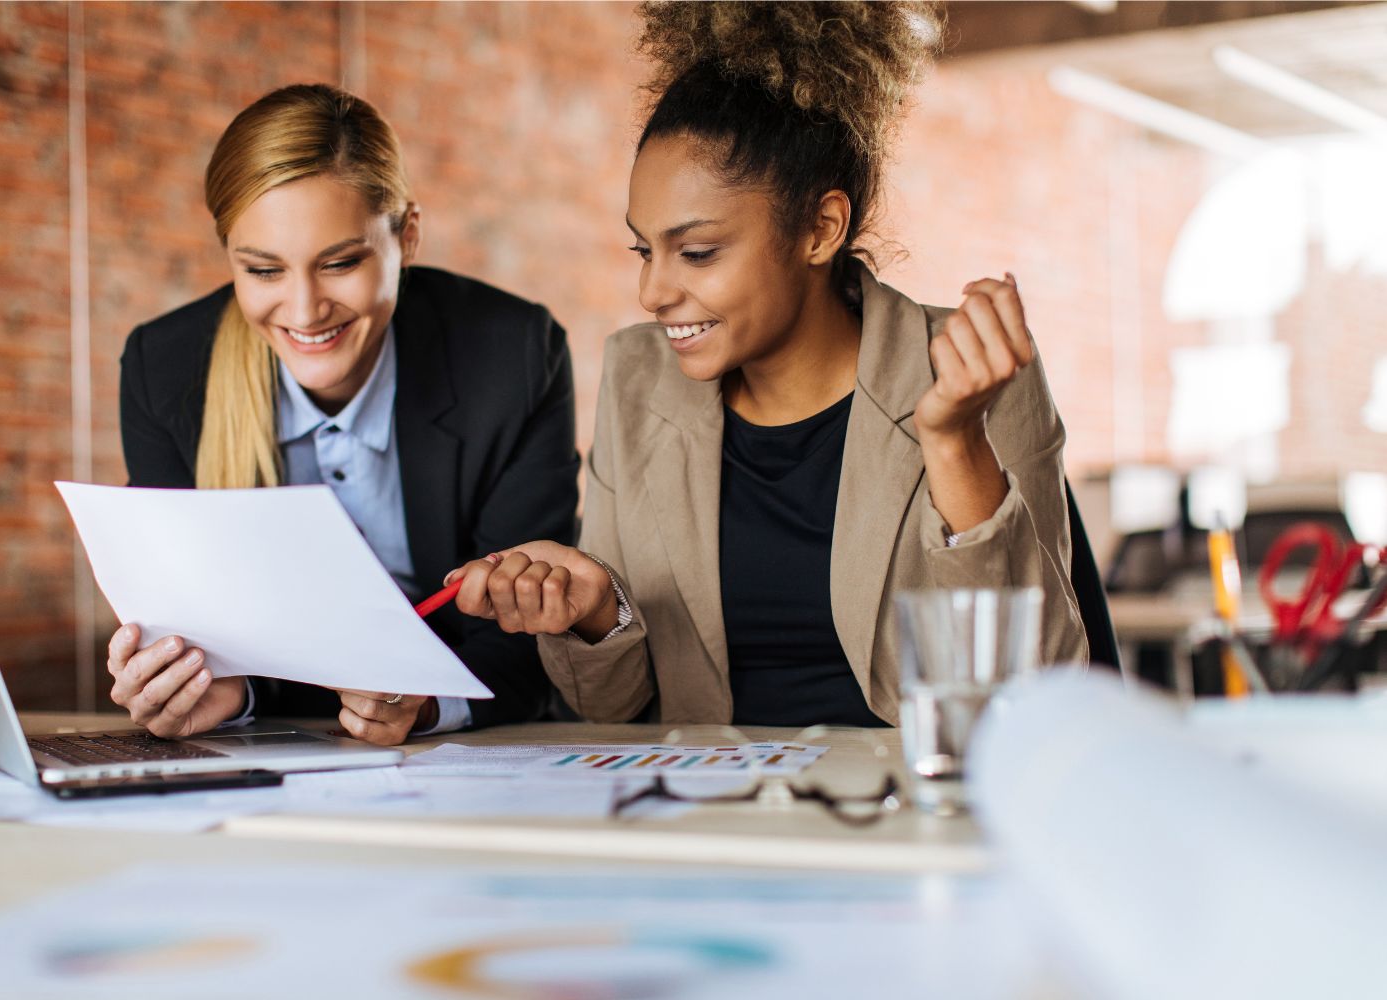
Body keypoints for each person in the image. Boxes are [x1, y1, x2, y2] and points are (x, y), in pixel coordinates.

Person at [448, 1, 1088, 727]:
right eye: (644, 250)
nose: (653, 292)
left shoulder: (969, 376)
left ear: (821, 228)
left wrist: (954, 443)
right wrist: (598, 615)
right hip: (711, 818)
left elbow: (1035, 692)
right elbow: (606, 709)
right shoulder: (638, 376)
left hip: (906, 815)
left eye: (696, 252)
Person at [107, 84, 579, 744]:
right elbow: (197, 633)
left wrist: (428, 705)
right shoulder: (164, 370)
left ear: (407, 237)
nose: (303, 312)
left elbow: (531, 636)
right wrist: (206, 689)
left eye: (340, 262)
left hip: (465, 752)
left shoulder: (513, 357)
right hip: (277, 753)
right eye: (263, 270)